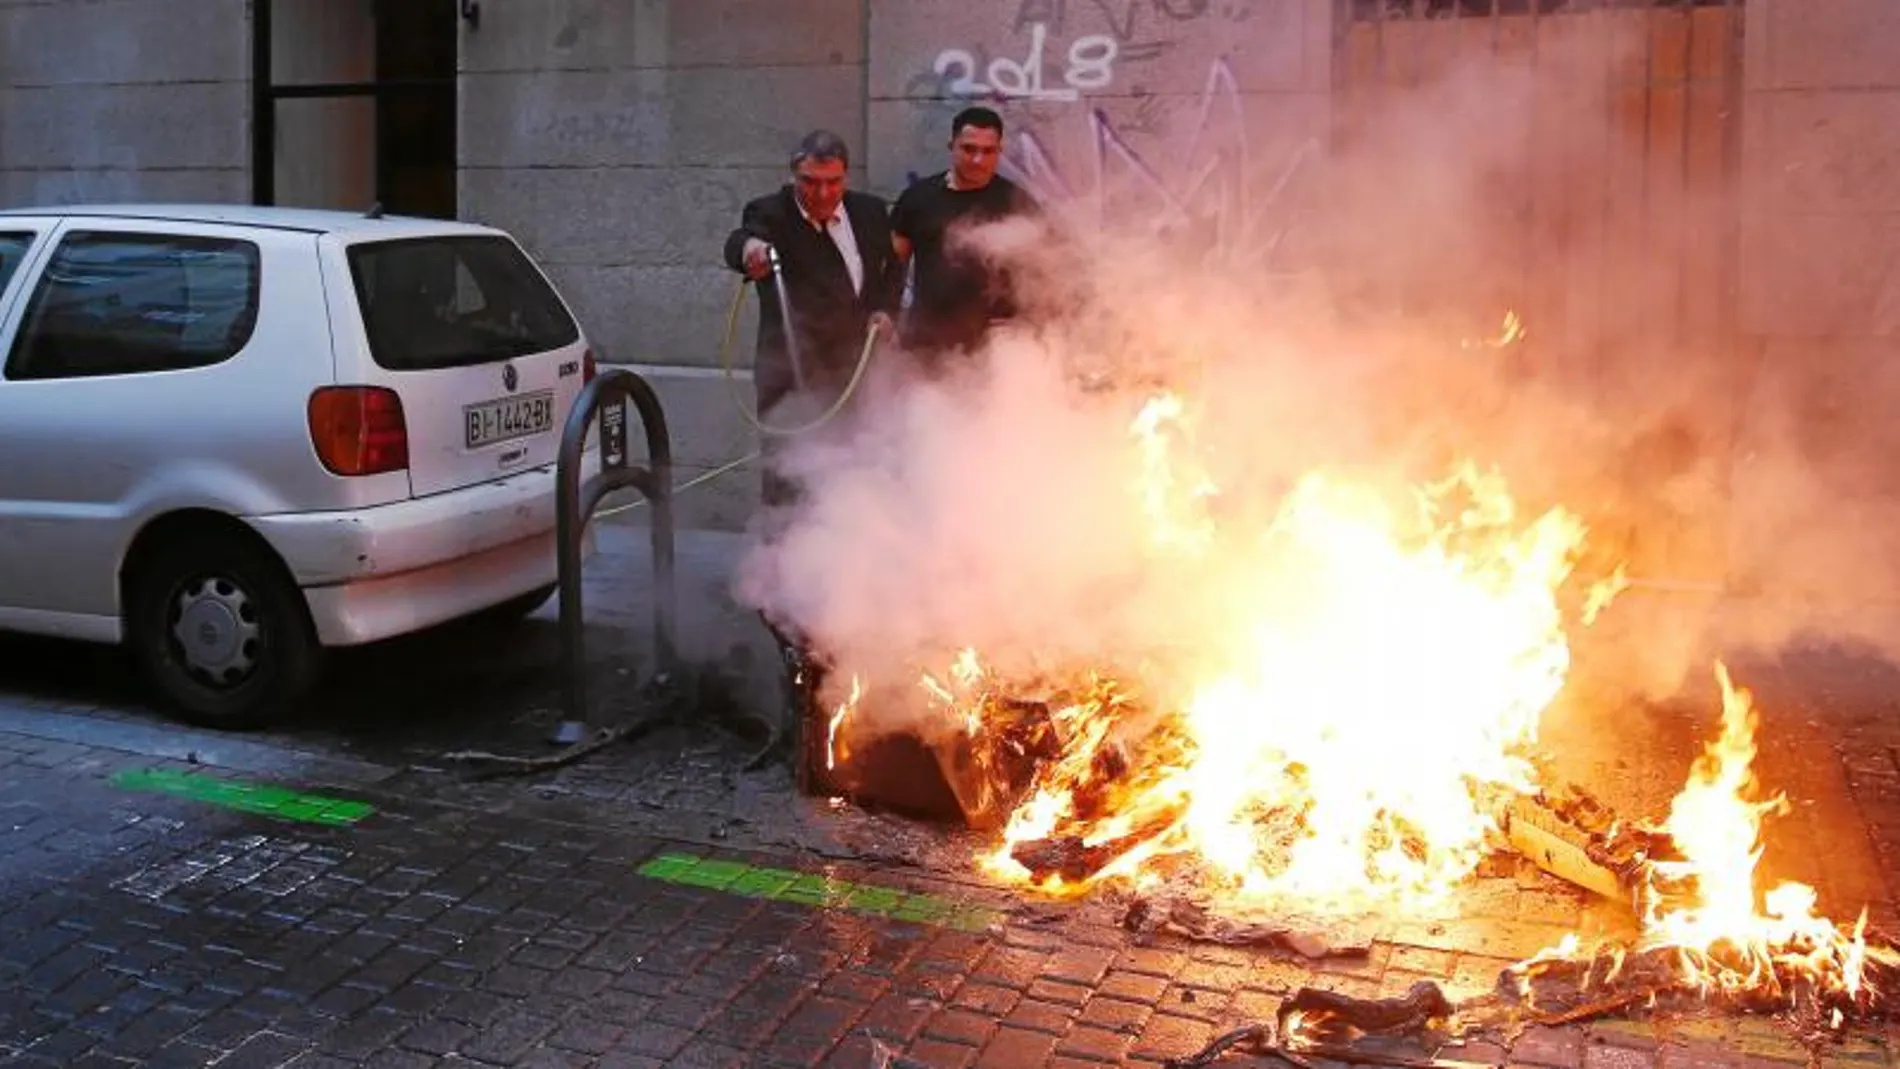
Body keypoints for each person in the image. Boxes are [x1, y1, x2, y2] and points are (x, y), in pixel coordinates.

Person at [722, 128, 902, 511]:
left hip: (856, 368)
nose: (822, 194)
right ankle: (780, 562)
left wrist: (886, 310)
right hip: (791, 370)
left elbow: (892, 268)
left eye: (833, 182)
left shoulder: (869, 212)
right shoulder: (770, 213)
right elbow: (742, 240)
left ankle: (845, 551)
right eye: (810, 182)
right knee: (789, 472)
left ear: (847, 176)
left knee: (854, 465)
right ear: (793, 175)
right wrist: (750, 250)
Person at [891, 106, 1041, 362]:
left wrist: (1027, 326)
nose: (977, 160)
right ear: (952, 145)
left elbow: (1040, 274)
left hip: (997, 349)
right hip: (927, 343)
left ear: (999, 151)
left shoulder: (1018, 202)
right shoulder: (918, 198)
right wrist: (890, 319)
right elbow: (892, 268)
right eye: (969, 149)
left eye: (988, 151)